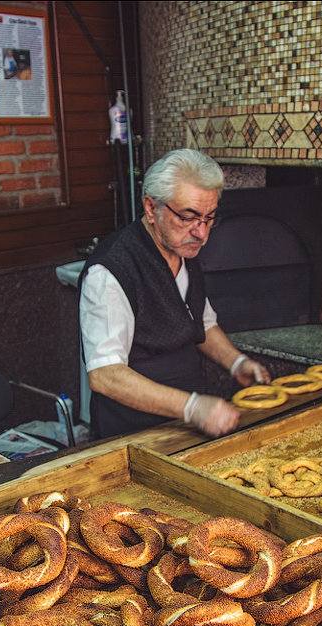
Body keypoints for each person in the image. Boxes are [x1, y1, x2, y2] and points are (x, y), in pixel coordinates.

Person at [79, 148, 270, 439]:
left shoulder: (183, 249)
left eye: (209, 218)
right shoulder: (110, 272)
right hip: (132, 436)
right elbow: (105, 375)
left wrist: (236, 362)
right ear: (150, 208)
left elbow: (201, 322)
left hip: (185, 426)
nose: (202, 233)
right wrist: (192, 406)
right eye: (188, 217)